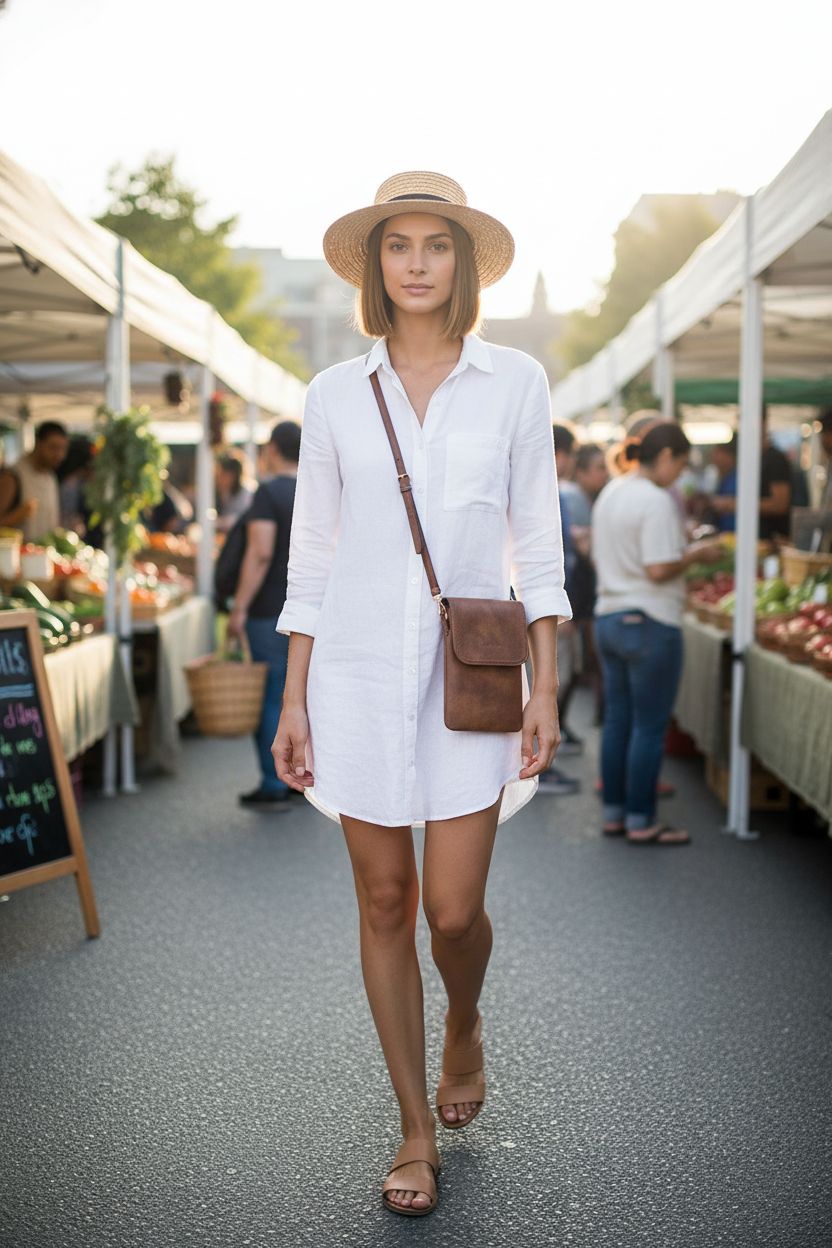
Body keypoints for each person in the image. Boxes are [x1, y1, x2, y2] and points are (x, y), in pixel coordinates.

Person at [272, 172, 571, 1217]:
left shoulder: (515, 381)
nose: (414, 263)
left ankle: (465, 1018)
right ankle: (411, 1129)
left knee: (452, 910)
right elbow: (312, 554)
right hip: (353, 674)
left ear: (462, 262)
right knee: (386, 901)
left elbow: (539, 544)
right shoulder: (333, 393)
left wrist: (546, 685)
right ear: (373, 264)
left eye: (434, 244)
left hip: (470, 683)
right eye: (396, 245)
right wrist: (293, 698)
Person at [592, 423, 723, 846]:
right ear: (665, 456)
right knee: (649, 727)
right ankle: (641, 819)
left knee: (618, 720)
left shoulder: (612, 491)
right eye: (681, 464)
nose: (680, 474)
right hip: (649, 620)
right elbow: (659, 568)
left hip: (609, 617)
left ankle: (615, 813)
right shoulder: (654, 500)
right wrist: (696, 553)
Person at [227, 423, 300, 808]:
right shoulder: (316, 488)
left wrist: (239, 606)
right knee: (304, 695)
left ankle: (275, 783)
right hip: (312, 610)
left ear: (272, 449)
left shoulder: (269, 493)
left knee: (272, 696)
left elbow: (260, 553)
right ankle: (302, 778)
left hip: (270, 610)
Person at [709, 408, 792, 540]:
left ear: (761, 422)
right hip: (752, 539)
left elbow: (780, 504)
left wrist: (734, 504)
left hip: (771, 540)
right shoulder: (750, 458)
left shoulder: (775, 459)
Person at [10, 420, 69, 542]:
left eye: (63, 449)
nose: (59, 455)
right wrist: (17, 516)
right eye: (53, 447)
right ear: (38, 444)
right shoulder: (14, 475)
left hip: (45, 551)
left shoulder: (50, 477)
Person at [215, 452, 255, 534]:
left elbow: (241, 519)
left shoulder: (247, 493)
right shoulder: (223, 492)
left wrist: (218, 522)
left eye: (223, 474)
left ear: (233, 475)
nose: (219, 478)